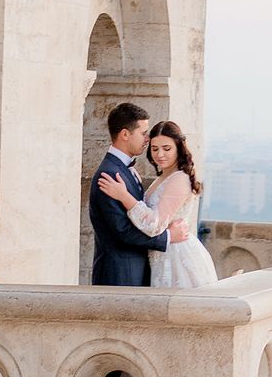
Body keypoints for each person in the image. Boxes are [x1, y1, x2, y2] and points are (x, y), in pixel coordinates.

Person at [97, 118, 217, 290]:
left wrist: (124, 196)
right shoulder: (162, 178)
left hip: (177, 257)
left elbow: (154, 225)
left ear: (179, 148)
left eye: (167, 148)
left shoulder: (179, 178)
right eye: (155, 149)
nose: (160, 154)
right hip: (161, 255)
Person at [88, 102, 189, 287]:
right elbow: (123, 231)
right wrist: (167, 237)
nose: (148, 139)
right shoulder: (110, 174)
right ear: (125, 134)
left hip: (136, 271)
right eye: (143, 133)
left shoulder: (127, 170)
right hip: (120, 274)